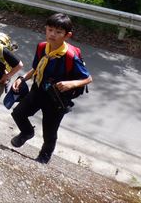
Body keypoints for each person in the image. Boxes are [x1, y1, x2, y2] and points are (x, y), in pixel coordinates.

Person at [9, 13, 92, 163]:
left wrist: (71, 84)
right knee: (18, 113)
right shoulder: (42, 47)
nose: (53, 34)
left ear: (67, 35)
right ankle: (27, 132)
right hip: (39, 89)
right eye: (50, 30)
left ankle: (43, 158)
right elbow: (35, 68)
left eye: (58, 32)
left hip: (56, 98)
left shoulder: (70, 56)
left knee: (49, 131)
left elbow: (88, 78)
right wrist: (22, 79)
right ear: (46, 29)